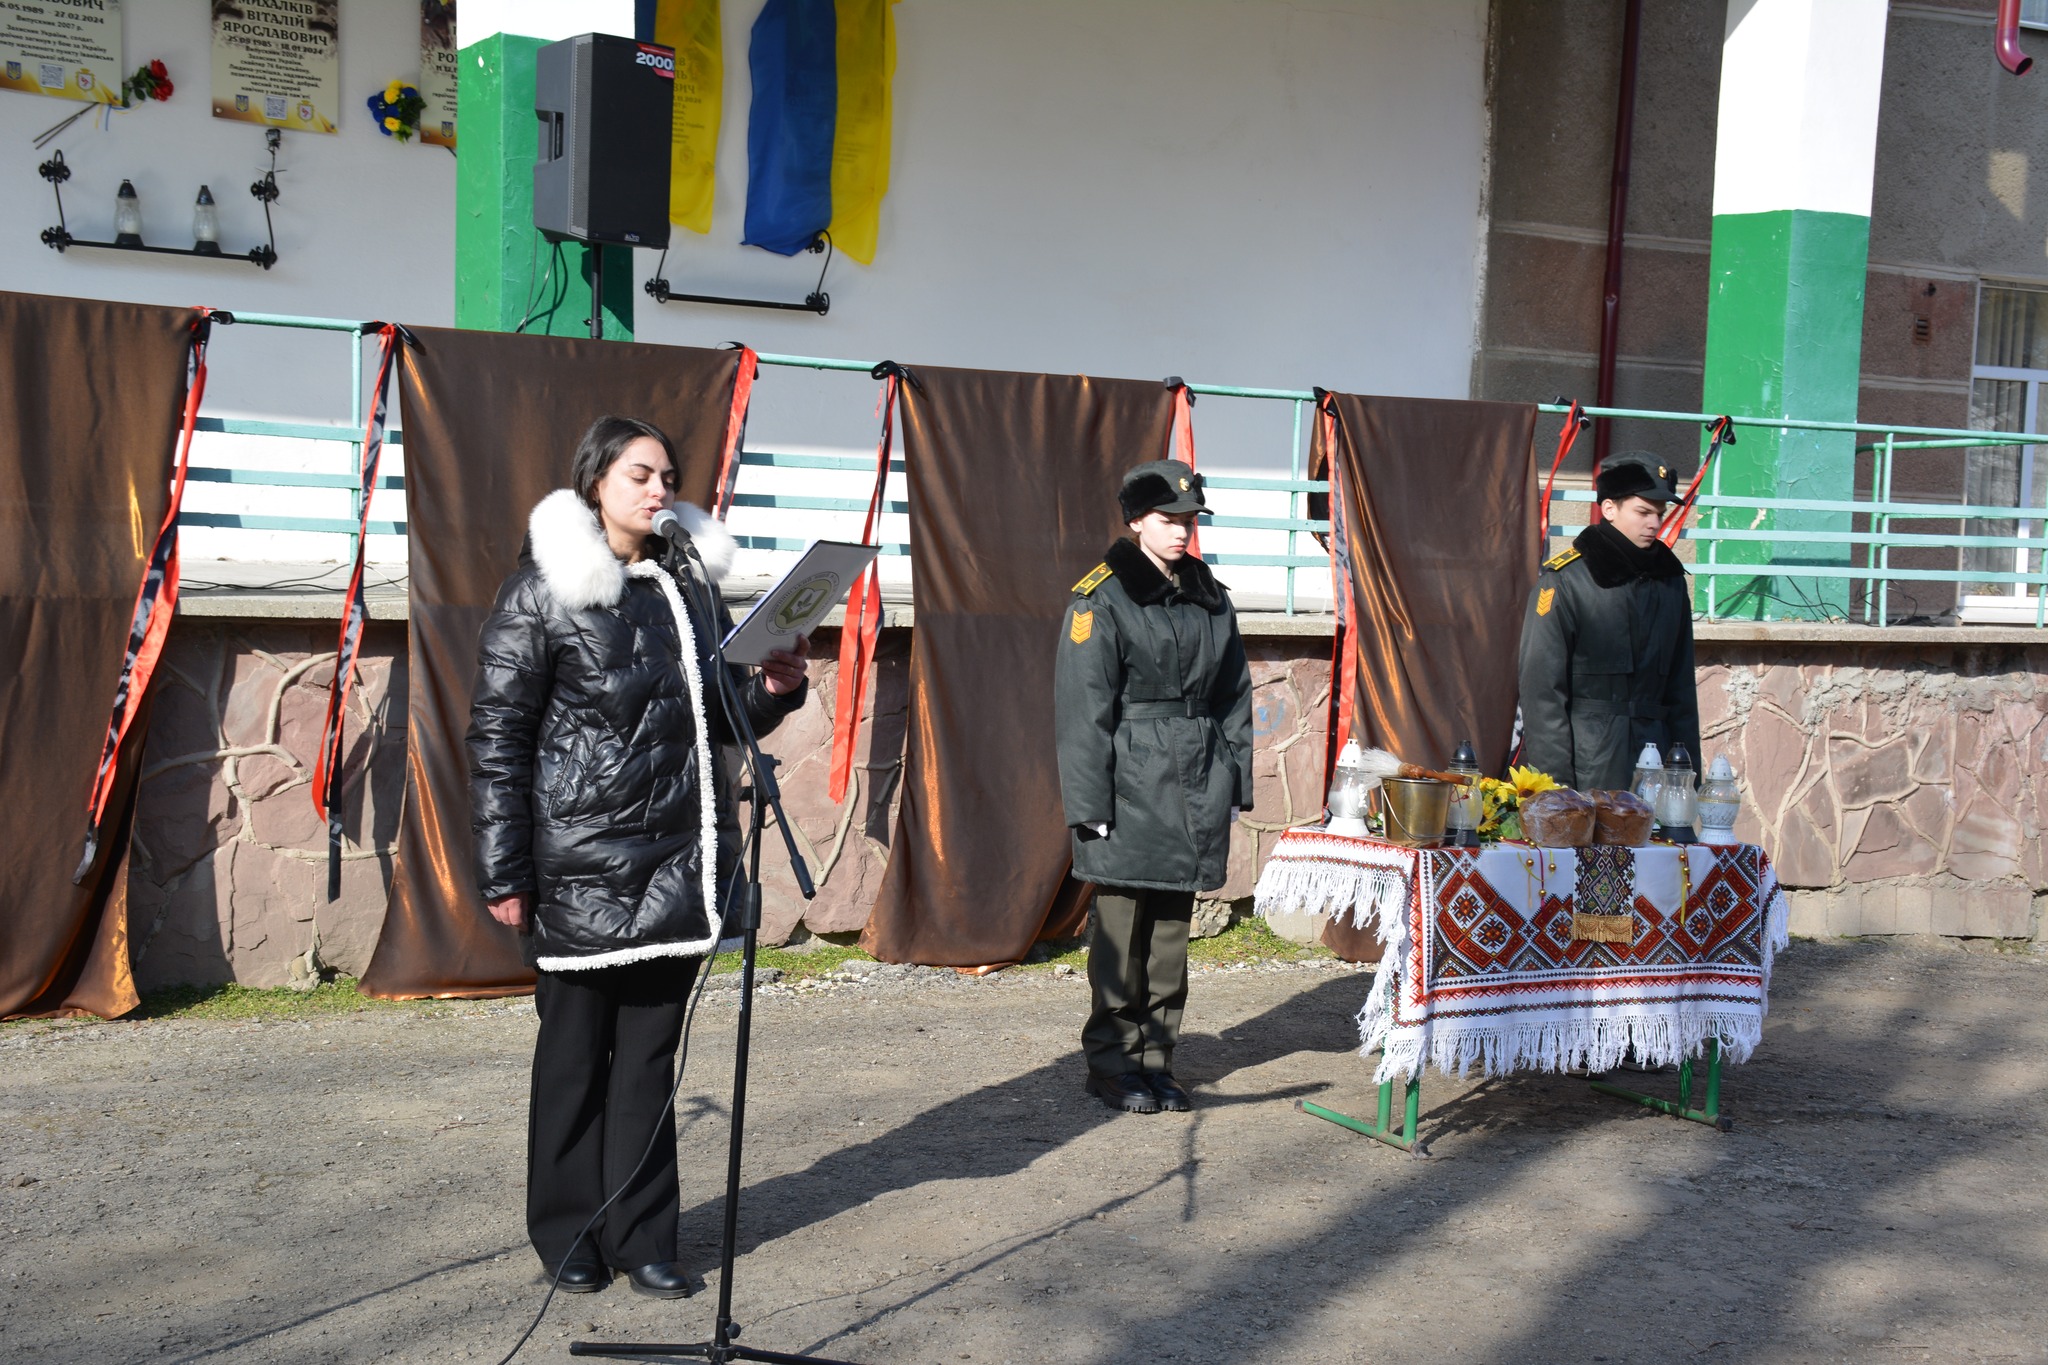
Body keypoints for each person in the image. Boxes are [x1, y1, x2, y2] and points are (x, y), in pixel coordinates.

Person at [467, 415, 809, 1297]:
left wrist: (774, 688)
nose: (661, 491)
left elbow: (721, 709)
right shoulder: (540, 592)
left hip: (674, 861)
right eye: (640, 476)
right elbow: (498, 737)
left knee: (652, 1058)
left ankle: (645, 1232)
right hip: (579, 864)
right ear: (595, 485)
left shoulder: (683, 585)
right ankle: (569, 1230)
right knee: (576, 1057)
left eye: (668, 477)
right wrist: (504, 871)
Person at [1054, 459, 1254, 1115]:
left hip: (1195, 782)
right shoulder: (1101, 597)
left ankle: (1157, 1059)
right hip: (1130, 782)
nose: (1181, 531)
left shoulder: (1208, 594)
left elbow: (1233, 694)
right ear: (1137, 520)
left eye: (1189, 519)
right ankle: (1112, 1064)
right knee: (1120, 934)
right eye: (1169, 519)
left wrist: (1235, 775)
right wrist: (1090, 807)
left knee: (1170, 938)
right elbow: (1083, 711)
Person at [1517, 450, 1700, 791]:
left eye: (1660, 513)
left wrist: (1688, 784)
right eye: (1643, 512)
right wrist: (1555, 789)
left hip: (1656, 771)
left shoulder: (1670, 581)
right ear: (1610, 509)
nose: (1655, 523)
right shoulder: (1566, 580)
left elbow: (1682, 694)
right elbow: (1543, 695)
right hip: (1589, 770)